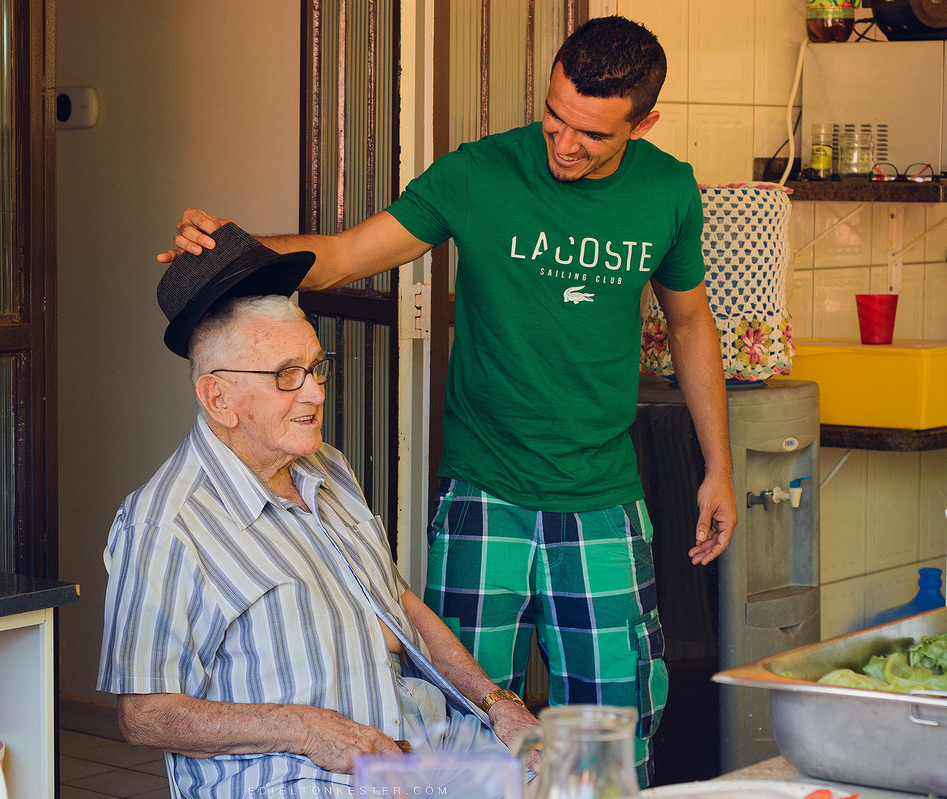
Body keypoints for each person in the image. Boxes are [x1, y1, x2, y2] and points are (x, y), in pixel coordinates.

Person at [156, 16, 738, 785]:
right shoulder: (479, 174)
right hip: (485, 492)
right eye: (554, 117)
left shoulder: (667, 192)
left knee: (615, 732)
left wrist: (717, 466)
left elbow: (692, 322)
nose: (563, 144)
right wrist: (234, 248)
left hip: (601, 498)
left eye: (591, 135)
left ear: (644, 122)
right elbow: (343, 257)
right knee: (462, 727)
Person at [99, 223, 540, 799]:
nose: (314, 393)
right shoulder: (164, 525)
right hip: (302, 777)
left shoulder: (325, 466)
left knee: (569, 780)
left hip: (423, 742)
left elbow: (394, 600)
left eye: (314, 367)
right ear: (218, 398)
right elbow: (145, 715)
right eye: (286, 376)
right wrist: (308, 730)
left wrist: (496, 703)